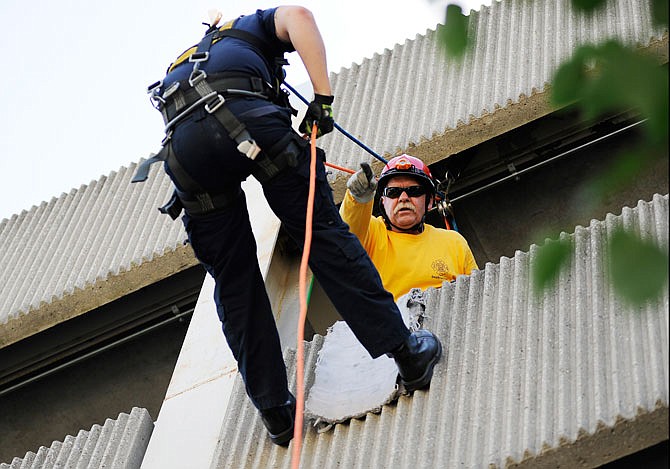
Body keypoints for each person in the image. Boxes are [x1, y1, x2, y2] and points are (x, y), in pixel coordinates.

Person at [137, 7, 442, 446]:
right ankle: (407, 353)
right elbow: (298, 15)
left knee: (234, 281)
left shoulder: (186, 63)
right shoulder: (250, 26)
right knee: (321, 235)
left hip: (184, 154)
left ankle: (277, 414)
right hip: (248, 120)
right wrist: (322, 98)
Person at [341, 154, 478, 301]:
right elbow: (345, 234)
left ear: (430, 201)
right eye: (393, 192)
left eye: (414, 191)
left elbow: (477, 296)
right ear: (383, 202)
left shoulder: (454, 243)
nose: (403, 197)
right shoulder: (370, 233)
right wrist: (356, 199)